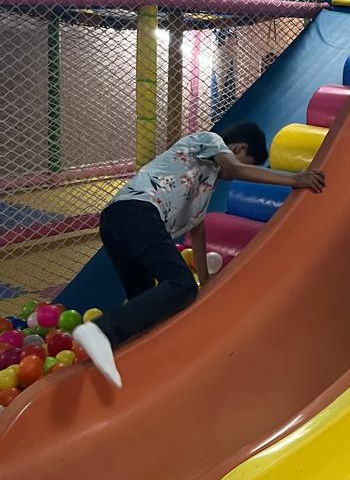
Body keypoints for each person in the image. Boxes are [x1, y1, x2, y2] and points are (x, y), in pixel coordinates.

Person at [72, 123, 324, 388]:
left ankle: (131, 367)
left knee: (146, 306)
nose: (230, 178)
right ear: (239, 148)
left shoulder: (203, 184)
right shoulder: (209, 140)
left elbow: (198, 230)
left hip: (117, 222)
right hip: (139, 213)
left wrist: (205, 281)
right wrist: (296, 179)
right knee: (181, 286)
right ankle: (101, 330)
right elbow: (236, 168)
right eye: (241, 161)